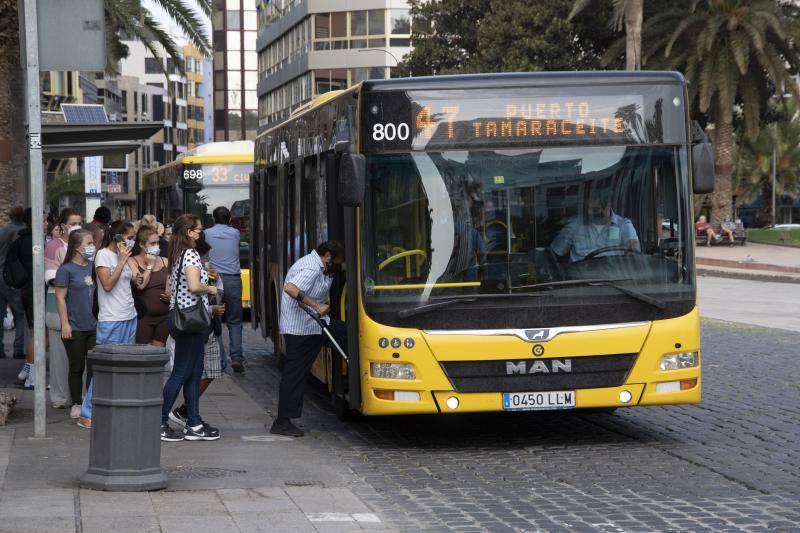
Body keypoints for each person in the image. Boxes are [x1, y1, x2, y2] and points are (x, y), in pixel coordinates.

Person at [271, 241, 347, 438]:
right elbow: (290, 288)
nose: (340, 265)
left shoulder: (321, 267)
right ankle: (282, 422)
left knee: (350, 336)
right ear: (327, 256)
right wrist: (317, 305)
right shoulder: (312, 267)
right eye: (338, 261)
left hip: (315, 325)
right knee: (295, 374)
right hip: (300, 330)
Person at [161, 214, 220, 442]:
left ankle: (193, 422)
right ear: (188, 232)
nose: (201, 233)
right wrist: (210, 289)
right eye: (198, 230)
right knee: (181, 372)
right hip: (190, 320)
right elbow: (195, 286)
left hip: (182, 317)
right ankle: (160, 420)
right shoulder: (191, 254)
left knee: (194, 373)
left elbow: (171, 289)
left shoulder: (177, 253)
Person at [78, 220, 137, 429]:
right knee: (105, 367)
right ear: (117, 237)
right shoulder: (103, 255)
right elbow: (107, 285)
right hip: (112, 319)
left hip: (129, 315)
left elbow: (138, 282)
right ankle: (87, 412)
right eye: (129, 237)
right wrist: (121, 262)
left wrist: (135, 264)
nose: (132, 241)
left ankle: (115, 407)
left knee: (125, 367)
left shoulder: (125, 256)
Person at [55, 229, 97, 420]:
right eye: (89, 243)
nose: (92, 246)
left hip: (94, 325)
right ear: (77, 247)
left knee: (93, 367)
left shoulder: (93, 267)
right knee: (77, 366)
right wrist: (65, 323)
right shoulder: (66, 270)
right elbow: (60, 298)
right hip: (75, 326)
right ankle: (76, 403)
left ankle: (89, 401)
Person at [41, 208, 82, 401]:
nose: (77, 226)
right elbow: (51, 278)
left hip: (79, 309)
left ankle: (77, 397)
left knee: (78, 357)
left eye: (79, 223)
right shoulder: (54, 246)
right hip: (57, 308)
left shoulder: (83, 245)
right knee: (59, 357)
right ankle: (60, 397)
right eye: (73, 223)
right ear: (63, 225)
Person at [203, 206, 245, 373]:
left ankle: (220, 360)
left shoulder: (206, 233)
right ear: (229, 219)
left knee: (215, 320)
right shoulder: (235, 233)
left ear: (213, 219)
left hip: (214, 279)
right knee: (235, 320)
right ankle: (237, 357)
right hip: (233, 279)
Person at [551, 195, 640, 263]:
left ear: (608, 205)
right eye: (588, 208)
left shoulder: (624, 225)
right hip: (579, 277)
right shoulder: (574, 225)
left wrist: (632, 251)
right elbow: (554, 253)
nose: (590, 212)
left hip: (613, 276)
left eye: (595, 209)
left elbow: (634, 254)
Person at [128, 226, 170, 347]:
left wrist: (170, 297)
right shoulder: (132, 261)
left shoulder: (165, 261)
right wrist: (150, 265)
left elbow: (169, 289)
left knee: (158, 353)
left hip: (164, 317)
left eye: (158, 242)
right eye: (152, 243)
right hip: (143, 317)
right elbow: (140, 285)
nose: (156, 246)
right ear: (142, 244)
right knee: (143, 353)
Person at [0, 207, 27, 359]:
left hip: (0, 275)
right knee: (20, 314)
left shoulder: (2, 231)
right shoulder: (22, 232)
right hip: (13, 277)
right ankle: (18, 348)